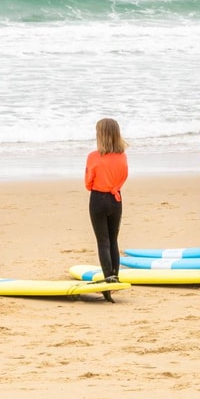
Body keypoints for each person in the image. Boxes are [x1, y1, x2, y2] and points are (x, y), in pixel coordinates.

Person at [85, 118, 128, 283]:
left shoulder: (93, 157)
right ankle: (115, 276)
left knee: (103, 241)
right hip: (116, 198)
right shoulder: (122, 156)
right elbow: (124, 176)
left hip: (98, 199)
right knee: (113, 240)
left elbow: (88, 183)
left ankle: (108, 277)